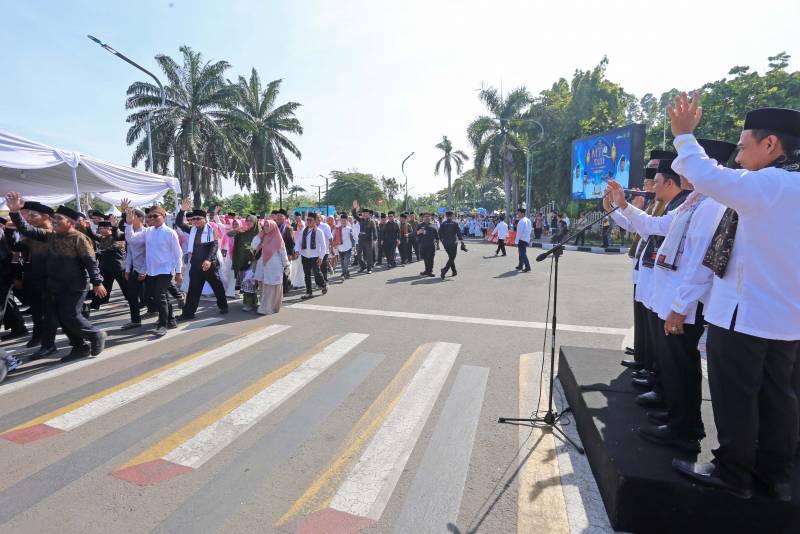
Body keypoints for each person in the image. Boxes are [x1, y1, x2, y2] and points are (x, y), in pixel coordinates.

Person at [668, 95, 800, 501]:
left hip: (744, 317)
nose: (738, 157)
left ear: (770, 144)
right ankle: (773, 475)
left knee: (736, 397)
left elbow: (709, 177)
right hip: (786, 320)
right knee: (779, 398)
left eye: (743, 147)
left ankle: (733, 473)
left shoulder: (772, 184)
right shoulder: (787, 184)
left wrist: (684, 137)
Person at [608, 138, 736, 454]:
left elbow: (700, 265)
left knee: (681, 366)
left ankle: (685, 430)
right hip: (673, 300)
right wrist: (623, 206)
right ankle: (678, 419)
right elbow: (656, 225)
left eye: (689, 167)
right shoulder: (695, 201)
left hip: (684, 304)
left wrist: (679, 307)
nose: (682, 174)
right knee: (673, 365)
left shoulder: (712, 204)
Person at [7, 194, 108, 361]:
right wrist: (15, 212)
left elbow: (90, 263)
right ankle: (79, 347)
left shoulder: (80, 239)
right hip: (55, 285)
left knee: (70, 315)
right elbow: (27, 230)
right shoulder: (50, 236)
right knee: (61, 317)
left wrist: (97, 282)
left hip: (75, 285)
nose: (54, 221)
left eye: (59, 218)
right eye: (54, 218)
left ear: (71, 222)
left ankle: (96, 334)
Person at [124, 205, 183, 337]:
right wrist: (129, 223)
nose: (152, 218)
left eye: (155, 216)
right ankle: (171, 319)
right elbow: (131, 239)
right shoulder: (148, 231)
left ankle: (162, 325)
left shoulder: (170, 232)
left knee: (159, 296)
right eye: (150, 216)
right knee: (160, 296)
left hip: (165, 270)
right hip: (151, 270)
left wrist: (179, 272)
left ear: (164, 216)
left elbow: (178, 254)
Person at [175, 206, 228, 320]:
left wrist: (208, 260)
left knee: (217, 287)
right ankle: (188, 314)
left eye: (198, 218)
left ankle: (223, 306)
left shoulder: (211, 230)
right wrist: (182, 210)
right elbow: (179, 223)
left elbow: (214, 246)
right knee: (193, 290)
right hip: (195, 265)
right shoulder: (192, 230)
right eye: (193, 219)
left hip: (209, 266)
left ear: (204, 219)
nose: (195, 221)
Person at [120, 204, 151, 330]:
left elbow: (149, 254)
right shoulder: (131, 232)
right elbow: (130, 253)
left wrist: (144, 270)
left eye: (132, 215)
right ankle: (135, 321)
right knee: (132, 296)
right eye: (128, 215)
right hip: (135, 270)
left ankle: (165, 318)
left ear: (140, 218)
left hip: (148, 270)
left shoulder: (146, 232)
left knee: (153, 296)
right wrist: (127, 269)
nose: (129, 217)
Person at [251, 219, 290, 315]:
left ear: (273, 227)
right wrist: (259, 235)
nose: (265, 227)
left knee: (271, 287)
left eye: (267, 226)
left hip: (274, 267)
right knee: (263, 286)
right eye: (264, 225)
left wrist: (286, 265)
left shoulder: (278, 239)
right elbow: (253, 246)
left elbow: (283, 253)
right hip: (262, 266)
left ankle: (268, 308)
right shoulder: (263, 237)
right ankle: (264, 305)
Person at [299, 213, 328, 299]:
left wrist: (321, 257)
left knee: (317, 272)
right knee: (307, 274)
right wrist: (296, 251)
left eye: (310, 220)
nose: (308, 221)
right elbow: (298, 242)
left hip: (315, 256)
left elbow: (323, 246)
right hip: (305, 255)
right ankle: (309, 292)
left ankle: (323, 285)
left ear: (315, 221)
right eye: (307, 220)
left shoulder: (319, 231)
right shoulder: (303, 231)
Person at [438, 210, 465, 279]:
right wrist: (462, 242)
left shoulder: (443, 223)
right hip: (453, 243)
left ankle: (454, 271)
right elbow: (459, 233)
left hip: (446, 243)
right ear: (452, 215)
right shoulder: (455, 223)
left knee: (451, 257)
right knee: (452, 257)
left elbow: (439, 233)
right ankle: (444, 270)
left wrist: (442, 241)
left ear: (446, 216)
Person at [416, 212, 439, 277]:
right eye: (425, 216)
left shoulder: (433, 225)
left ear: (430, 217)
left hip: (431, 245)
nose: (427, 218)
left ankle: (430, 271)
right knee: (425, 258)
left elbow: (437, 236)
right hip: (423, 245)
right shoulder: (420, 225)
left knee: (431, 258)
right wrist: (419, 232)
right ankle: (426, 270)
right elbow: (416, 233)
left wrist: (438, 245)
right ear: (423, 218)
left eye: (428, 216)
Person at [355, 208, 377, 273]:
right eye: (363, 213)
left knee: (369, 255)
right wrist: (355, 208)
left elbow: (374, 231)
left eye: (366, 213)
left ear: (368, 214)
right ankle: (363, 266)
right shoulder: (360, 220)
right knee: (358, 254)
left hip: (368, 240)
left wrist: (374, 240)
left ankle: (369, 269)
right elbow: (354, 215)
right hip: (361, 240)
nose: (364, 214)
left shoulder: (371, 221)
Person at [336, 214, 356, 279]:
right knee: (342, 262)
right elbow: (335, 238)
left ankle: (343, 274)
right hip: (340, 248)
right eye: (342, 220)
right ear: (340, 221)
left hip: (348, 248)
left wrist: (354, 247)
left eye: (344, 220)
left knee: (346, 261)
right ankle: (347, 272)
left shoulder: (349, 229)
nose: (343, 222)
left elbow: (353, 238)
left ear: (347, 221)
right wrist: (335, 245)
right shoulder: (338, 229)